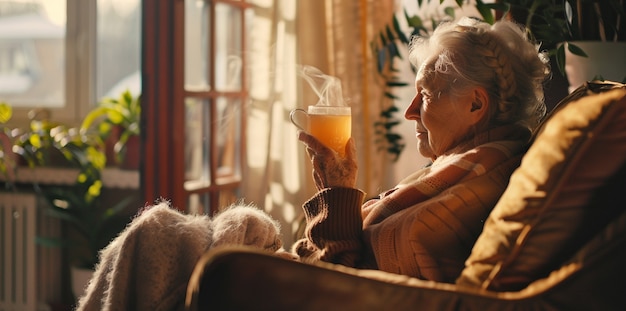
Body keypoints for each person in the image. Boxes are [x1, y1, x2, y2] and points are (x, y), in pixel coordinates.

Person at [292, 17, 550, 283]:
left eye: (425, 95)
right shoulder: (475, 166)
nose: (409, 112)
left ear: (475, 104)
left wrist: (336, 193)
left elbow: (338, 285)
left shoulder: (463, 195)